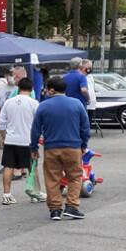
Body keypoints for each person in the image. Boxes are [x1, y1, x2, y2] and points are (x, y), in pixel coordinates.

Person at [30, 76, 91, 221]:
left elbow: (35, 130)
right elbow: (85, 127)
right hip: (73, 147)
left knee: (52, 179)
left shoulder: (43, 106)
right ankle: (72, 206)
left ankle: (55, 209)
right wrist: (84, 144)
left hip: (51, 148)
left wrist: (33, 148)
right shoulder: (77, 104)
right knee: (75, 177)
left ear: (51, 90)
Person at [0, 77, 41, 205]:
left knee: (8, 166)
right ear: (31, 89)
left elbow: (1, 124)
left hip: (11, 140)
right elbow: (38, 125)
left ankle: (6, 194)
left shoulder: (8, 102)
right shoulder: (34, 103)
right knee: (32, 167)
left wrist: (4, 137)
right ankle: (35, 193)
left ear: (18, 88)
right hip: (28, 140)